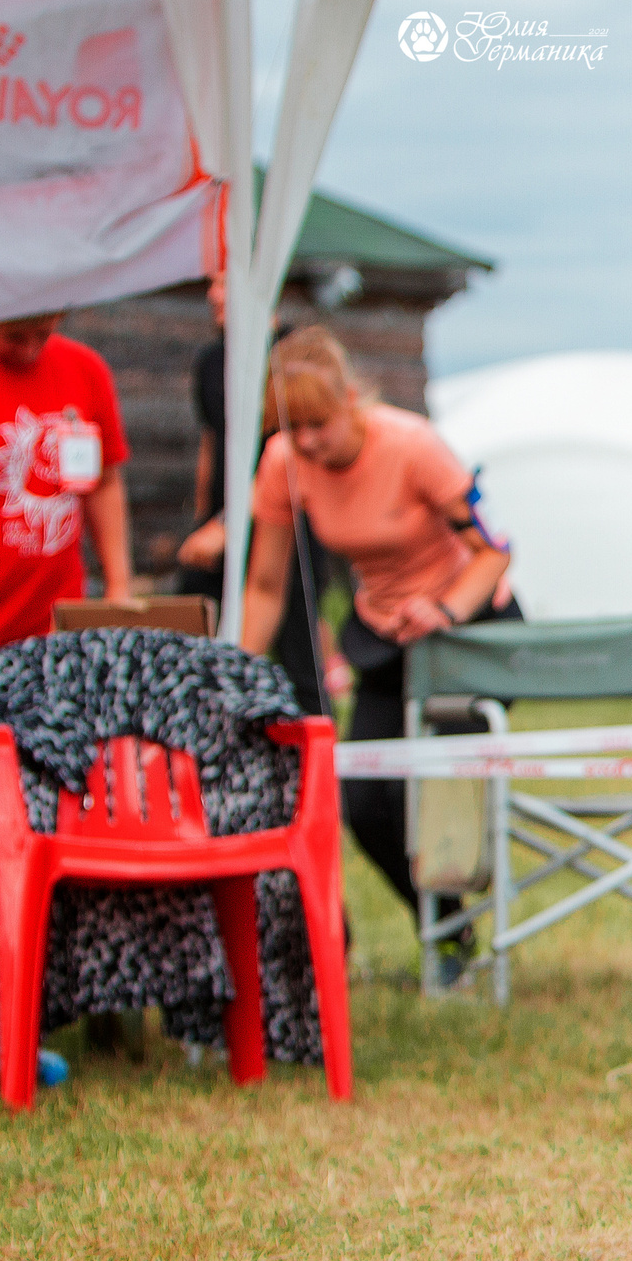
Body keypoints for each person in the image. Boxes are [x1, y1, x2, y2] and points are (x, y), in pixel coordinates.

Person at [236, 327, 516, 984]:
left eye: (318, 424)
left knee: (425, 791)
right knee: (365, 802)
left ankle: (458, 927)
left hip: (468, 630)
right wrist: (237, 672)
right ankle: (448, 928)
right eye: (291, 427)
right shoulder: (282, 462)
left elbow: (495, 546)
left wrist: (447, 608)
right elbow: (265, 584)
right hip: (386, 636)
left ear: (349, 399)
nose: (306, 441)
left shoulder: (412, 444)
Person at [174, 310, 333, 713]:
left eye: (225, 283)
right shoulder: (212, 361)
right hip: (224, 518)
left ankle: (319, 752)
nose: (214, 297)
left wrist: (229, 524)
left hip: (285, 524)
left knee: (301, 658)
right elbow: (212, 444)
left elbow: (284, 458)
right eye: (212, 283)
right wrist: (206, 517)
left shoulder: (291, 355)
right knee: (189, 628)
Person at [0, 311, 137, 650]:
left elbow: (104, 481)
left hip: (58, 625)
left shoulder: (84, 367)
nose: (30, 349)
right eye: (15, 337)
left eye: (42, 335)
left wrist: (118, 583)